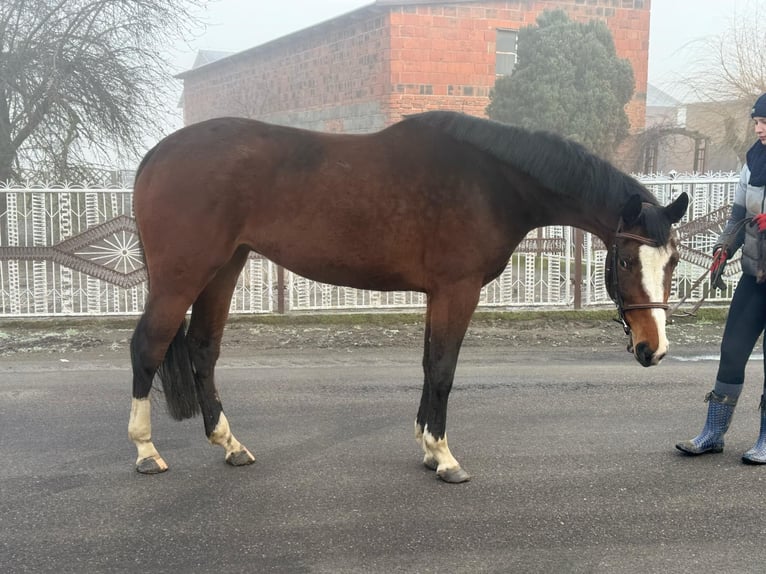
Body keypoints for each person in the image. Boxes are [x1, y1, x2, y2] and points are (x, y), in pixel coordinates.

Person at [676, 93, 766, 464]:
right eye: (757, 122)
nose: (759, 128)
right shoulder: (753, 162)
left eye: (764, 122)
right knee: (731, 353)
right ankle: (713, 433)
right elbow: (737, 215)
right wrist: (722, 249)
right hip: (754, 275)